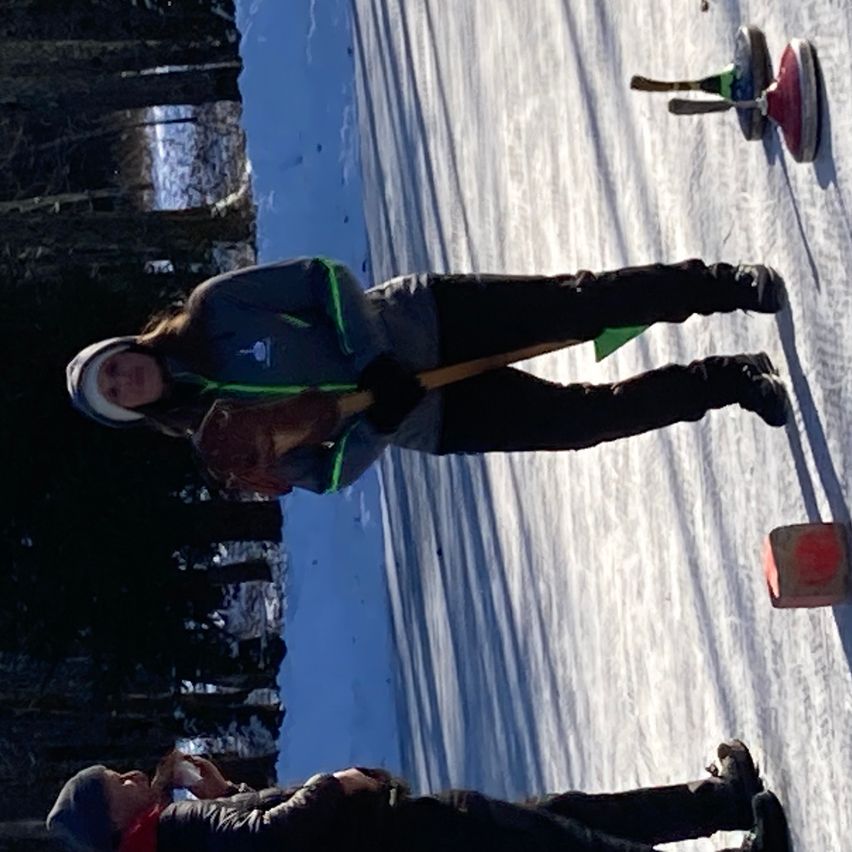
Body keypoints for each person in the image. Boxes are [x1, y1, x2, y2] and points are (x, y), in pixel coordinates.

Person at [66, 257, 791, 495]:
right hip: (428, 420)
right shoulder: (223, 446)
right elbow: (323, 474)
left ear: (125, 347)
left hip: (429, 320)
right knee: (582, 422)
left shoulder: (216, 308)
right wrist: (377, 425)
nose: (124, 380)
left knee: (581, 306)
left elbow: (324, 277)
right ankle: (727, 381)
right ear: (128, 414)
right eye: (114, 394)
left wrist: (370, 360)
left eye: (114, 368)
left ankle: (724, 285)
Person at [45, 740, 790, 852]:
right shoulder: (171, 832)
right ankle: (724, 812)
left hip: (398, 837)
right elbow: (274, 840)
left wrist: (229, 790)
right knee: (568, 840)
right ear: (111, 816)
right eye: (114, 785)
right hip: (404, 839)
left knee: (568, 816)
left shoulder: (177, 830)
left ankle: (719, 802)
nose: (129, 777)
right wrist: (328, 786)